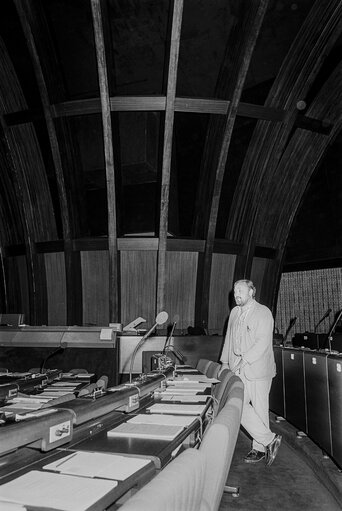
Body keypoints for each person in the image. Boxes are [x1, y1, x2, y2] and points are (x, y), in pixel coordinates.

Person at [219, 279, 281, 466]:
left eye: (240, 290)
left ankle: (259, 449)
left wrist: (243, 362)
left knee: (260, 410)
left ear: (252, 292)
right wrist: (224, 362)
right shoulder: (234, 313)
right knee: (237, 405)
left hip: (258, 369)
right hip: (239, 367)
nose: (236, 293)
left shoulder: (263, 312)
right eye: (235, 290)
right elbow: (228, 339)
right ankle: (270, 439)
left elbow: (262, 343)